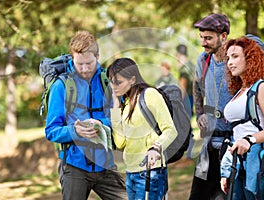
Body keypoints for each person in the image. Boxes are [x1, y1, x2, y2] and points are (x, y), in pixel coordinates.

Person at [44, 30, 126, 200]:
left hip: (105, 163)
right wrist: (75, 132)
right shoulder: (61, 86)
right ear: (72, 58)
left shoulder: (108, 81)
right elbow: (51, 131)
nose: (84, 69)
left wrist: (100, 123)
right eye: (79, 64)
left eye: (89, 63)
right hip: (74, 167)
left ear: (97, 56)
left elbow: (121, 116)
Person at [220, 36, 264, 199]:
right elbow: (238, 133)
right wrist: (227, 169)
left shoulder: (261, 87)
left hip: (262, 162)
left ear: (250, 58)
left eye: (235, 56)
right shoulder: (240, 91)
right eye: (228, 58)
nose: (230, 62)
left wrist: (250, 140)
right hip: (240, 162)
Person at [107, 57, 178, 200]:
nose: (114, 87)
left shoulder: (150, 95)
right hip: (130, 172)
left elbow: (170, 130)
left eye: (118, 82)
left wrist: (156, 148)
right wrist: (115, 107)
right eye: (111, 82)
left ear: (132, 79)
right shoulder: (126, 104)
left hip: (151, 172)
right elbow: (120, 143)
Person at [190, 13, 233, 199]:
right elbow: (197, 87)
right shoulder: (203, 60)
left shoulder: (237, 59)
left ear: (223, 36)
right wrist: (199, 113)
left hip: (232, 143)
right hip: (209, 143)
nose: (203, 42)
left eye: (208, 38)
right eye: (201, 37)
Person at [175, 44, 195, 160]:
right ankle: (189, 153)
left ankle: (187, 154)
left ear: (179, 54)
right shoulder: (191, 65)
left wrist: (179, 102)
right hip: (192, 98)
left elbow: (183, 86)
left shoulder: (183, 68)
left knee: (184, 126)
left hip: (185, 99)